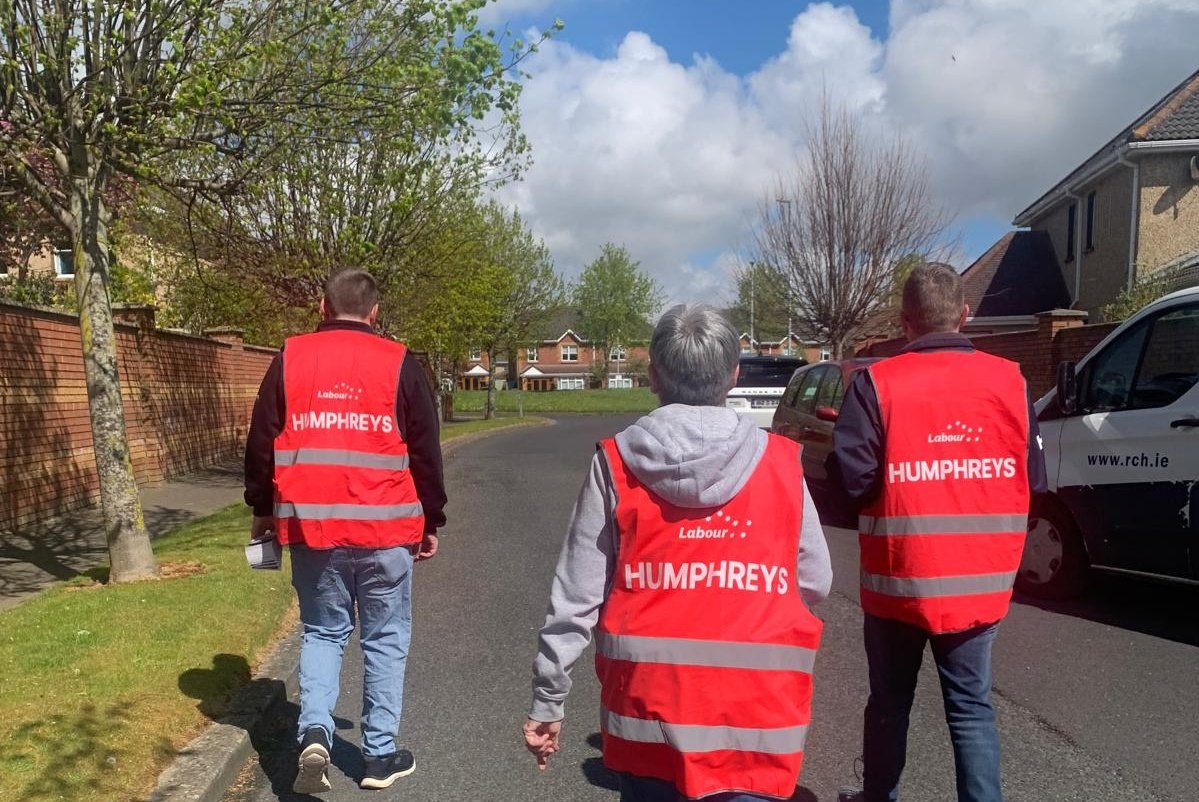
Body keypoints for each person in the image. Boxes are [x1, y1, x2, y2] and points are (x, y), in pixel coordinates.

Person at [522, 304, 832, 802]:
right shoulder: (780, 465)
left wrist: (548, 701)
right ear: (733, 375)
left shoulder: (617, 464)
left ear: (653, 375)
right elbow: (815, 581)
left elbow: (575, 598)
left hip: (648, 718)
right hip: (755, 722)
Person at [833, 263, 1047, 802]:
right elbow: (1034, 480)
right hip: (980, 584)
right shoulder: (1011, 381)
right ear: (965, 315)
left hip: (898, 583)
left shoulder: (875, 384)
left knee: (889, 705)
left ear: (905, 323)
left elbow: (854, 483)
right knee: (972, 710)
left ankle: (878, 797)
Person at [244, 268, 446, 794]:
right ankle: (379, 757)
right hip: (386, 531)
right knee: (384, 639)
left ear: (322, 305)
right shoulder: (400, 362)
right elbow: (425, 448)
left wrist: (262, 507)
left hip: (313, 529)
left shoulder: (290, 358)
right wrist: (432, 518)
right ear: (374, 312)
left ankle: (314, 729)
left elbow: (261, 440)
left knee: (322, 631)